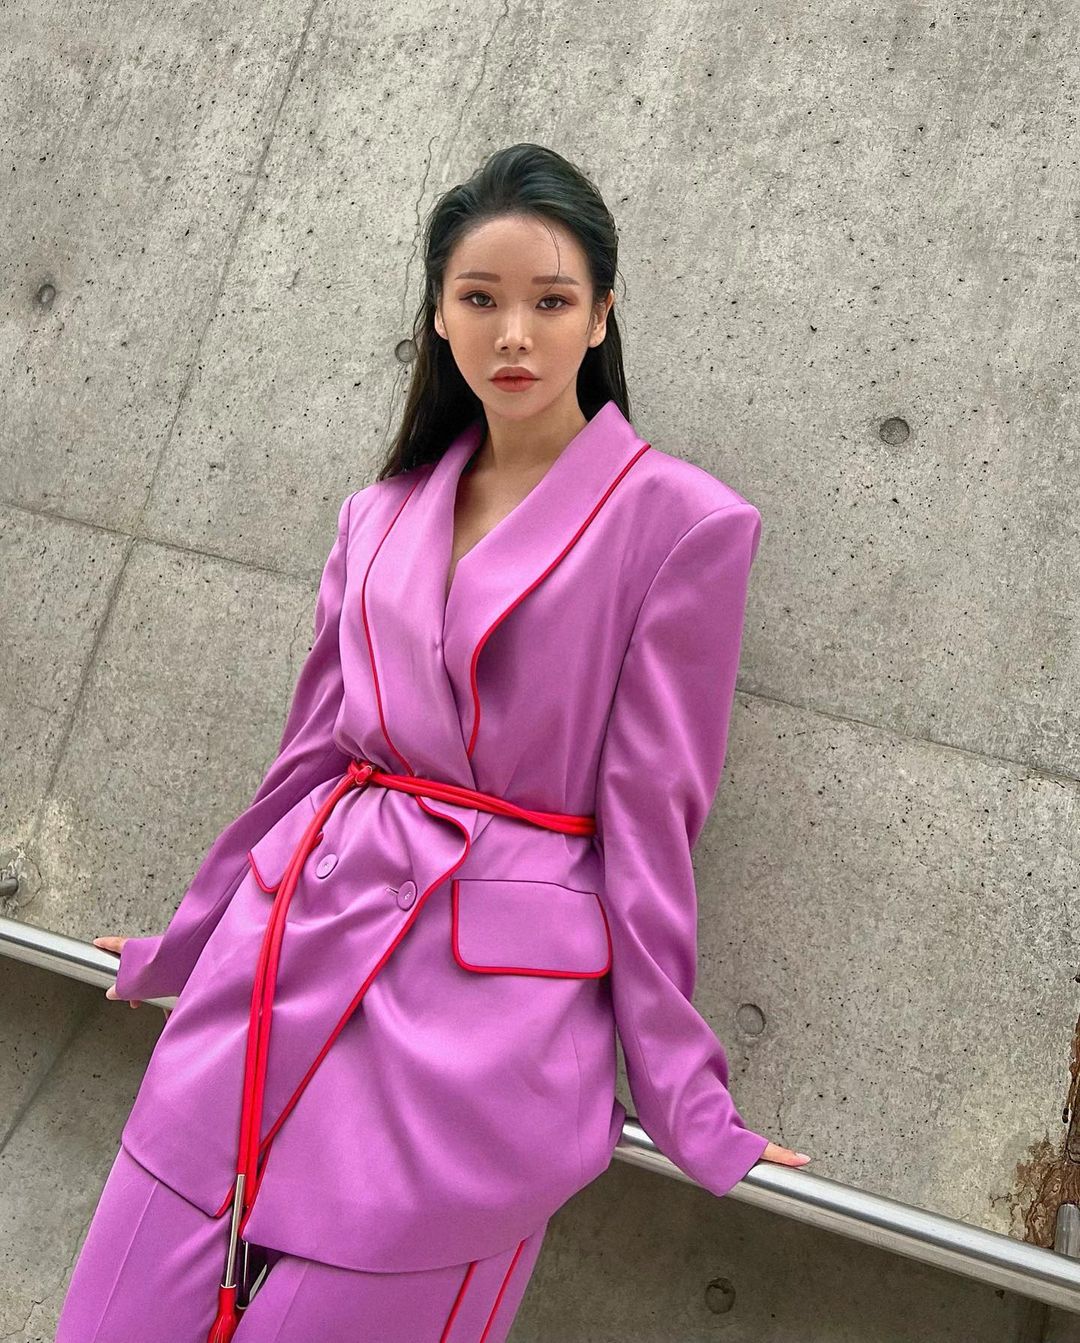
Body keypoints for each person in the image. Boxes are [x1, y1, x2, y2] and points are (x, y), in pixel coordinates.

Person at [58, 142, 810, 1343]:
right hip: (281, 956)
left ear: (601, 315)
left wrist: (685, 1094)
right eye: (480, 298)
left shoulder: (685, 525)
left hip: (481, 1033)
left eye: (551, 302)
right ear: (441, 314)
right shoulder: (378, 512)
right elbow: (307, 759)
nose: (514, 333)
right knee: (117, 1311)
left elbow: (655, 818)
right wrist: (189, 938)